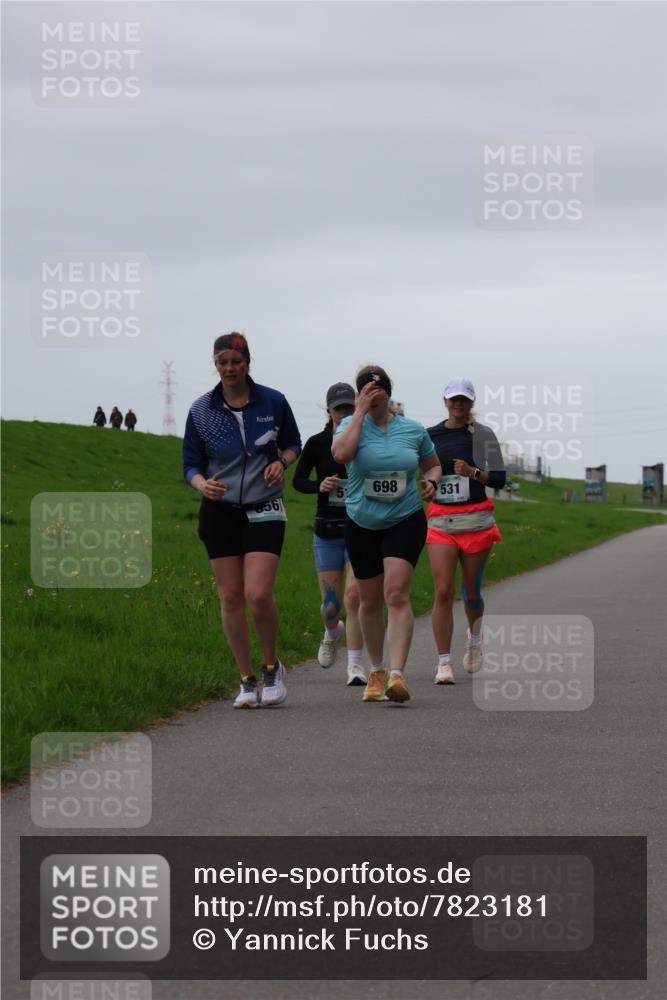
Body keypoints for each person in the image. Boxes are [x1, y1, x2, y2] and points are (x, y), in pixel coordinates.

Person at [182, 332, 302, 709]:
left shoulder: (273, 400)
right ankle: (246, 679)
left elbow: (293, 443)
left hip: (264, 507)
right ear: (215, 365)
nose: (229, 369)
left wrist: (281, 464)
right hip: (219, 511)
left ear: (248, 362)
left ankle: (271, 668)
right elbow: (190, 464)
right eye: (222, 363)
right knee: (231, 597)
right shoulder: (202, 410)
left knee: (258, 594)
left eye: (236, 361)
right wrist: (203, 485)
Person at [332, 365, 442, 703]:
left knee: (395, 594)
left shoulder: (412, 429)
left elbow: (433, 463)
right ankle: (376, 669)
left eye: (378, 388)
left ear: (389, 392)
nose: (373, 392)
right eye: (366, 388)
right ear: (358, 393)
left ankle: (397, 675)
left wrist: (433, 481)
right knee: (368, 600)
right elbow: (340, 455)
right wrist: (360, 411)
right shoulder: (349, 426)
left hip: (404, 517)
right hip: (362, 521)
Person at [426, 377, 506, 683]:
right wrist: (428, 483)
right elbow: (420, 468)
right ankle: (443, 662)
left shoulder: (483, 435)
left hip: (475, 520)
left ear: (471, 403)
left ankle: (474, 640)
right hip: (442, 520)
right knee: (443, 591)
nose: (458, 404)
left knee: (470, 591)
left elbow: (499, 479)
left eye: (464, 400)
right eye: (453, 399)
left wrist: (472, 472)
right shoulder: (430, 435)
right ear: (445, 401)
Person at [292, 383, 366, 686]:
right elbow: (297, 481)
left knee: (354, 596)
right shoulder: (317, 443)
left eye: (350, 407)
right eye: (339, 409)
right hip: (327, 529)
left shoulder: (366, 439)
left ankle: (355, 666)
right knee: (331, 606)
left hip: (360, 528)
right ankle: (332, 631)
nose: (345, 413)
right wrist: (319, 485)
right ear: (329, 411)